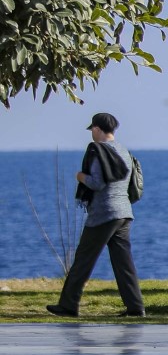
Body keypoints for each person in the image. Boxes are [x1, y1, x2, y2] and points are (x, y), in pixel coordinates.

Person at [47, 113, 145, 318]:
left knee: (83, 259)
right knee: (123, 263)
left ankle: (68, 305)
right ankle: (136, 308)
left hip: (104, 214)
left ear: (98, 129)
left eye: (92, 129)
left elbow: (96, 183)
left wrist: (80, 176)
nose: (91, 132)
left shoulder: (98, 151)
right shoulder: (123, 151)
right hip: (124, 213)